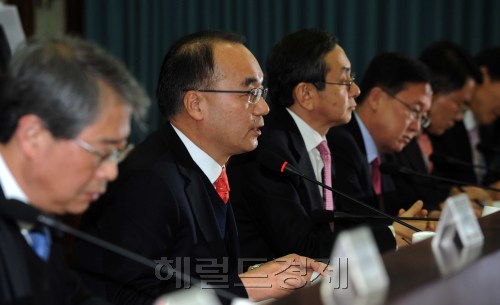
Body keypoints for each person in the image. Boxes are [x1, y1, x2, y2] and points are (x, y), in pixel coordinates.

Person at [74, 30, 326, 305]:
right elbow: (130, 298)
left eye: (261, 92)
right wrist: (249, 285)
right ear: (196, 104)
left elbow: (198, 277)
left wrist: (263, 274)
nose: (264, 107)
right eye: (250, 93)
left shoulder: (212, 165)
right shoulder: (148, 181)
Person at [227, 29, 425, 267]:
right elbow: (302, 249)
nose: (356, 91)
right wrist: (391, 235)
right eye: (345, 81)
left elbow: (343, 228)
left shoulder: (322, 144)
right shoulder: (267, 152)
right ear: (306, 94)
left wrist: (395, 228)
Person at [0, 36, 150, 305]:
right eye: (104, 152)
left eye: (119, 153)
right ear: (34, 137)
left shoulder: (38, 209)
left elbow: (70, 296)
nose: (111, 172)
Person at [326, 52, 433, 242]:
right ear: (376, 98)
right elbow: (353, 228)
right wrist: (395, 230)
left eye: (422, 117)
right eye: (414, 111)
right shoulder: (339, 143)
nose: (417, 127)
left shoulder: (386, 152)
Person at [390, 41, 485, 216]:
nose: (459, 116)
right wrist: (440, 208)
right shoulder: (395, 135)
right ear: (433, 91)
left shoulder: (444, 133)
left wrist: (451, 194)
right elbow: (397, 201)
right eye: (459, 104)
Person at [430, 46, 500, 200]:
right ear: (485, 75)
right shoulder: (440, 122)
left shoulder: (491, 129)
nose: (458, 116)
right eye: (458, 103)